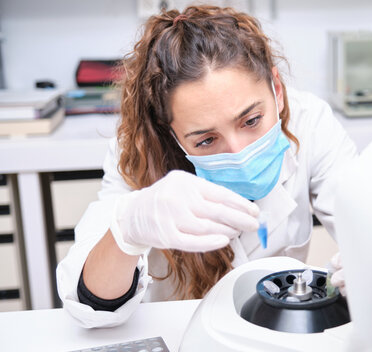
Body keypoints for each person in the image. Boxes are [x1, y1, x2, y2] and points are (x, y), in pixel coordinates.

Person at [57, 5, 356, 328]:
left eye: (251, 120)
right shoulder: (142, 153)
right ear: (172, 134)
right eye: (205, 140)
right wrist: (128, 229)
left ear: (277, 91)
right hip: (181, 336)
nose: (239, 151)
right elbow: (89, 306)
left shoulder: (309, 122)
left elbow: (369, 218)